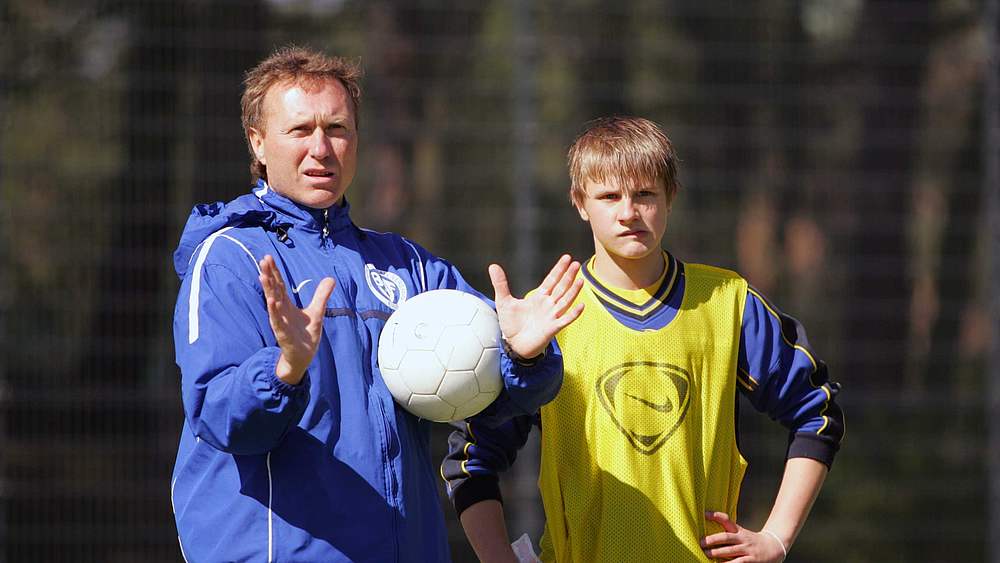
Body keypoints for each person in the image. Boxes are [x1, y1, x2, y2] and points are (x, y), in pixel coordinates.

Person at [170, 45, 584, 562]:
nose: (321, 148)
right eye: (300, 130)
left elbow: (495, 403)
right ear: (258, 142)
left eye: (337, 129)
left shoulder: (410, 267)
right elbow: (219, 416)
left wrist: (521, 357)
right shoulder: (231, 258)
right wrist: (284, 371)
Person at [442, 116, 845, 562]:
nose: (628, 212)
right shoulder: (547, 319)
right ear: (579, 202)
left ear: (671, 196)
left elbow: (817, 410)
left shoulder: (727, 304)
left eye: (645, 195)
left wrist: (777, 538)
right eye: (609, 196)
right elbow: (472, 457)